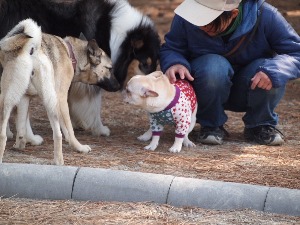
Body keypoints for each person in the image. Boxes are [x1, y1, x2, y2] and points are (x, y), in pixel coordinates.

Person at [159, 0, 300, 145]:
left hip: (250, 87)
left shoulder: (266, 15)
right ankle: (210, 125)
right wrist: (175, 63)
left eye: (207, 21)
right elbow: (172, 48)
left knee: (271, 70)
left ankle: (260, 125)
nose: (200, 26)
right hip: (206, 86)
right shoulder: (187, 17)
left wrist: (275, 70)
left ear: (233, 14)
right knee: (213, 66)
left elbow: (296, 53)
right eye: (198, 17)